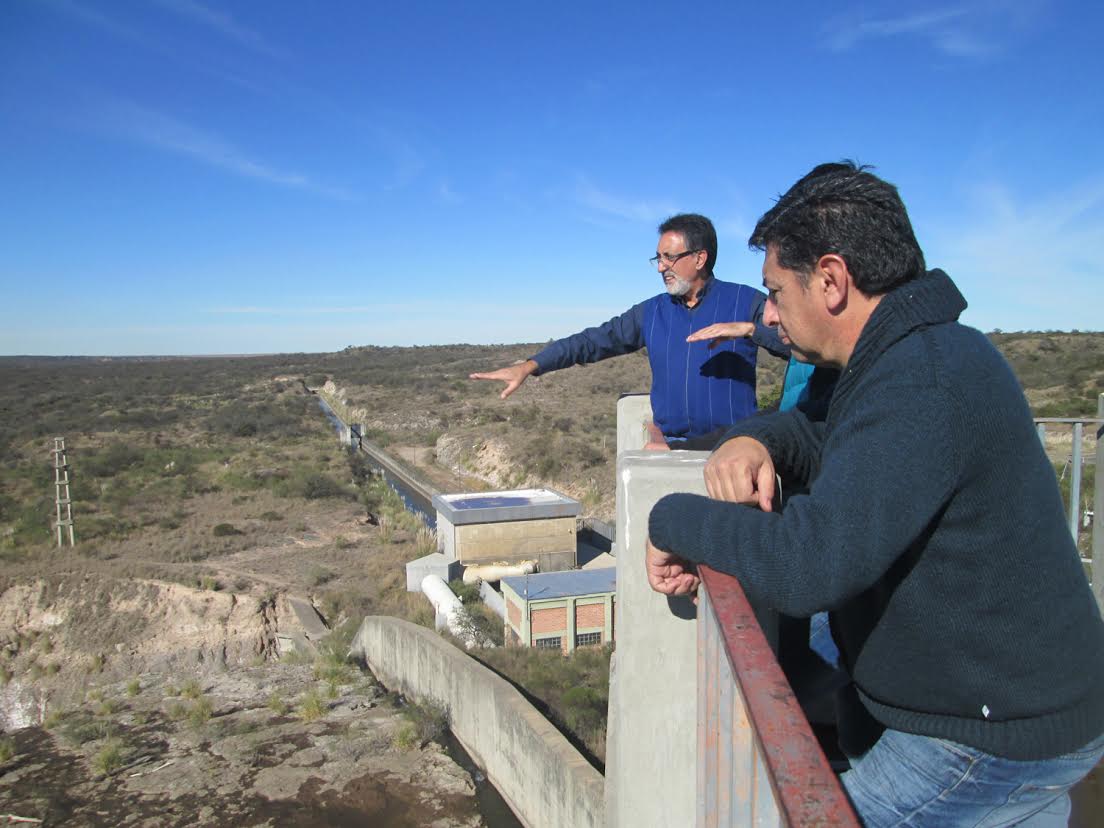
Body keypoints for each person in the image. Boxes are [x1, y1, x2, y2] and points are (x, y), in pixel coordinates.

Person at [644, 162, 1104, 826]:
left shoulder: (925, 379)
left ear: (829, 280)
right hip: (1011, 702)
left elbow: (808, 566)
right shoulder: (912, 357)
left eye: (775, 291)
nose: (768, 313)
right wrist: (758, 440)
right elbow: (827, 432)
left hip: (991, 737)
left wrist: (671, 519)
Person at [470, 213, 789, 445]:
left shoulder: (745, 301)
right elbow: (592, 342)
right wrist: (531, 365)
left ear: (699, 258)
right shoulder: (652, 312)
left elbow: (798, 345)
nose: (661, 266)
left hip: (734, 448)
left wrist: (749, 329)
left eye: (669, 257)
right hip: (670, 450)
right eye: (658, 258)